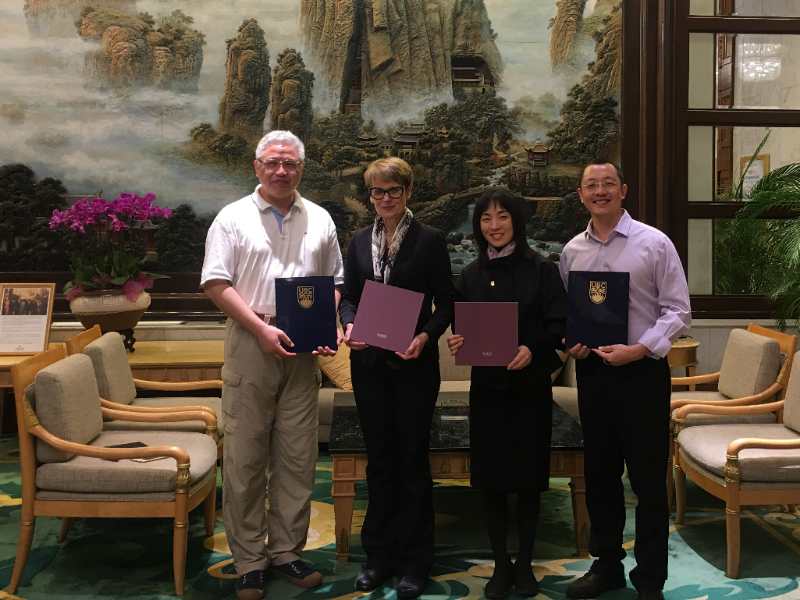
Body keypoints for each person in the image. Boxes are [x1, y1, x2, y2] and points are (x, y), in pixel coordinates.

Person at [201, 130, 344, 600]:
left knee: (298, 457)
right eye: (273, 162)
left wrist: (323, 323)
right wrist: (261, 329)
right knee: (245, 456)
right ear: (257, 167)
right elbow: (216, 283)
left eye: (290, 163)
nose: (281, 170)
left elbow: (335, 281)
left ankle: (286, 551)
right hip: (251, 339)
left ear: (301, 169)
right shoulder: (232, 217)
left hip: (303, 351)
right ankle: (248, 561)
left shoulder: (320, 218)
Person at [559, 162, 691, 600]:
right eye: (591, 185)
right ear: (581, 194)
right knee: (600, 476)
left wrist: (640, 348)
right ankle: (607, 566)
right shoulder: (572, 251)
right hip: (594, 374)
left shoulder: (654, 243)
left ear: (623, 191)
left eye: (608, 184)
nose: (600, 191)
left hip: (642, 374)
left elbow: (678, 310)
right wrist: (573, 343)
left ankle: (650, 578)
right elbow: (571, 314)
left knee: (648, 481)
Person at [339, 157, 454, 599]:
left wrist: (426, 336)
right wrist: (349, 325)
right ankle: (378, 556)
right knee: (379, 461)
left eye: (393, 190)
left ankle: (415, 560)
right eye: (377, 191)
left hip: (413, 367)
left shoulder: (430, 240)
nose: (385, 198)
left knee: (412, 461)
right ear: (370, 196)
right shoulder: (358, 241)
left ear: (408, 192)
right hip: (369, 367)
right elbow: (349, 298)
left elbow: (446, 302)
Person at [447, 189, 566, 599]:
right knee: (492, 482)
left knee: (529, 482)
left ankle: (525, 564)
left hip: (530, 390)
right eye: (486, 218)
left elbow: (558, 325)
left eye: (502, 217)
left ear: (517, 221)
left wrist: (532, 348)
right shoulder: (470, 274)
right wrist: (458, 340)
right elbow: (461, 324)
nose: (494, 225)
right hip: (488, 392)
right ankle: (500, 564)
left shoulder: (542, 269)